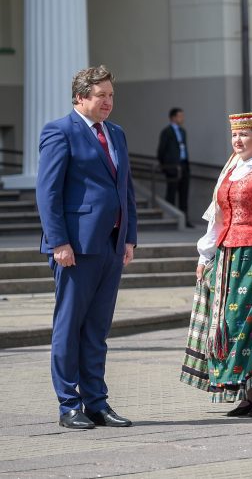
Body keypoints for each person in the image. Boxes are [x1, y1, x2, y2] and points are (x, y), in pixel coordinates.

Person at [36, 65, 138, 430]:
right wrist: (59, 241)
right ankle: (69, 405)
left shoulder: (117, 133)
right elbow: (48, 192)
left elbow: (125, 188)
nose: (108, 101)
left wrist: (129, 237)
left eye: (111, 95)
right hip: (75, 247)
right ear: (80, 97)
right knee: (69, 326)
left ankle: (97, 402)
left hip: (110, 245)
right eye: (100, 95)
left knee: (97, 329)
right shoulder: (59, 131)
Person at [179, 111, 252, 417]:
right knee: (229, 324)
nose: (237, 141)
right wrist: (206, 255)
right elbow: (218, 218)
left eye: (244, 135)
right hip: (229, 255)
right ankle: (246, 390)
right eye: (234, 135)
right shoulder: (229, 172)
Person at [157, 107, 193, 226]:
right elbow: (161, 150)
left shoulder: (183, 131)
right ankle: (171, 220)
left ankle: (185, 220)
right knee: (171, 193)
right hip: (172, 167)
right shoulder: (166, 132)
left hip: (183, 165)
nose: (182, 118)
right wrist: (164, 166)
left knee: (184, 193)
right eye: (180, 116)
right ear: (173, 117)